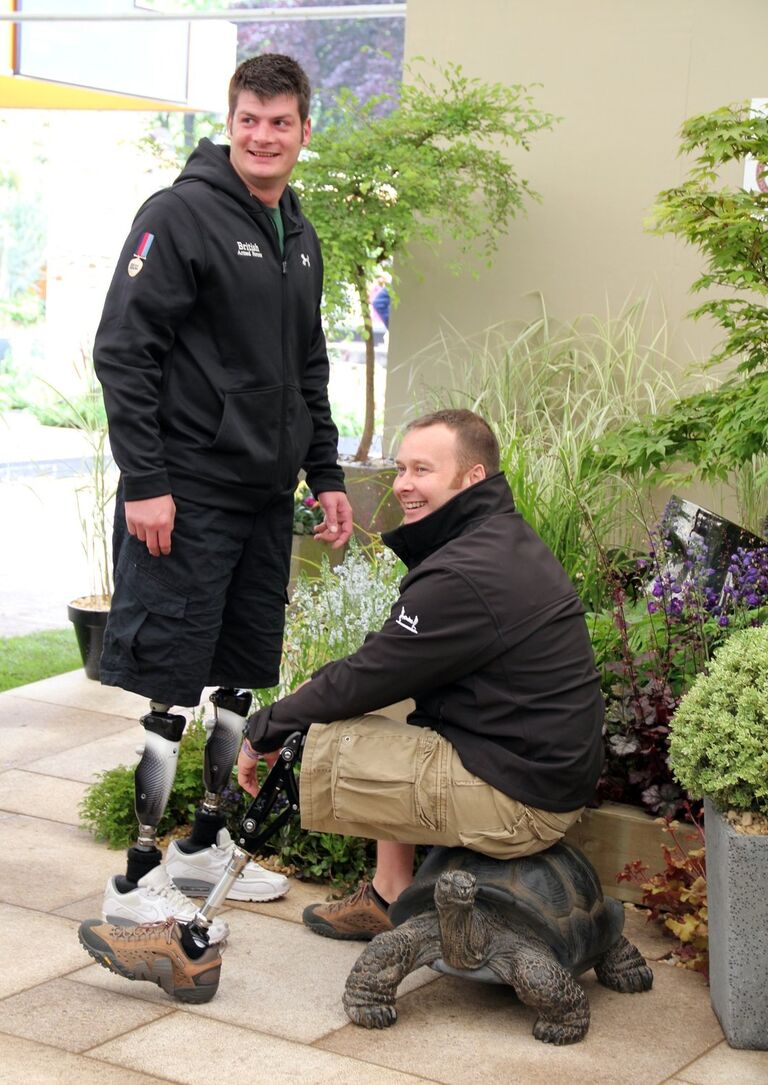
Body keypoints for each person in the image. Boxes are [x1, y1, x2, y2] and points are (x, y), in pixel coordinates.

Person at [79, 409, 605, 994]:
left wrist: (266, 729)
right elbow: (381, 671)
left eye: (423, 470)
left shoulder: (468, 571)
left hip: (521, 801)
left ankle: (190, 947)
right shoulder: (496, 540)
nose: (403, 482)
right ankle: (387, 895)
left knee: (315, 738)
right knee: (367, 709)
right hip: (535, 771)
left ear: (473, 477)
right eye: (401, 467)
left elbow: (367, 674)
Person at [92, 53, 353, 935]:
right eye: (250, 118)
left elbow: (306, 368)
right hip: (187, 492)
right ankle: (132, 879)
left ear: (304, 132)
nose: (264, 135)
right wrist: (148, 483)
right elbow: (123, 352)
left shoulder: (300, 236)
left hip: (263, 497)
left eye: (280, 122)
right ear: (231, 121)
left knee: (241, 676)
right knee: (170, 682)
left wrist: (325, 474)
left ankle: (204, 844)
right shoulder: (179, 216)